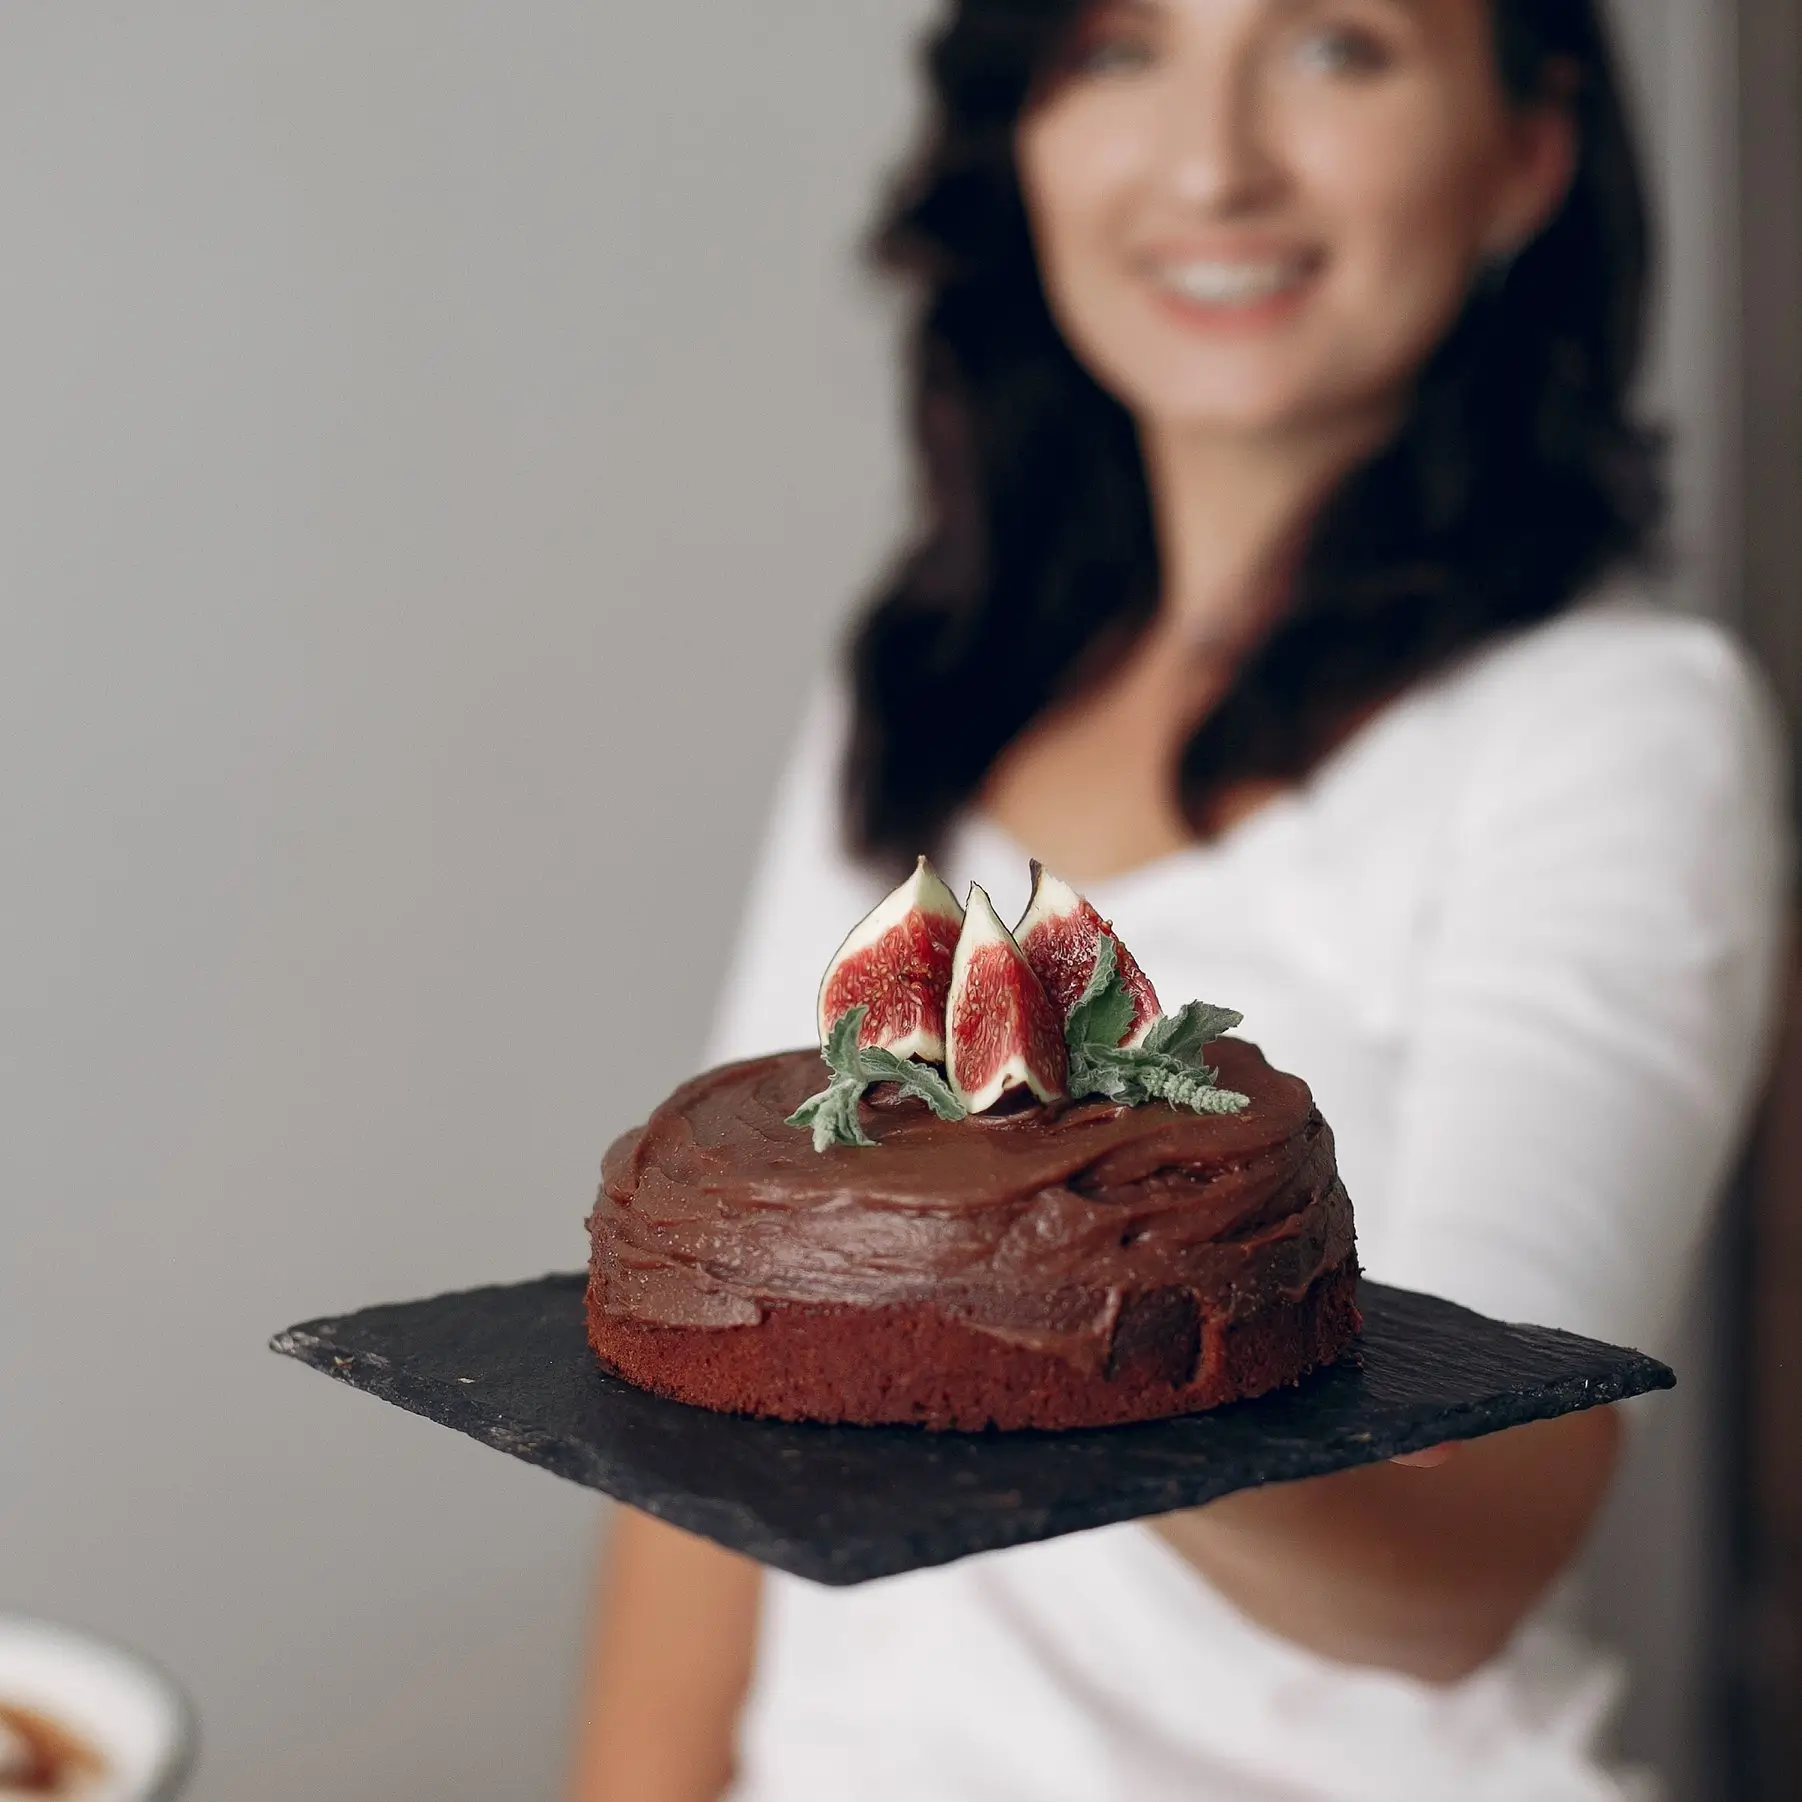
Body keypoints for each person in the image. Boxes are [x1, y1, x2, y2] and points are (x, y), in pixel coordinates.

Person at [569, 1, 1792, 1797]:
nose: (1211, 164)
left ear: (1526, 148)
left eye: (1336, 50)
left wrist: (1053, 1303)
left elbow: (1480, 1541)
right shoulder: (925, 683)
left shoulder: (1611, 728)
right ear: (1028, 133)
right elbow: (707, 1406)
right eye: (1117, 50)